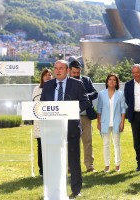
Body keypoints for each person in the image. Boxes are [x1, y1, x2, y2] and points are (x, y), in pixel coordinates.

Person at [40, 60, 90, 198]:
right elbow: (43, 103)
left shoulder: (77, 84)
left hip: (71, 127)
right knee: (54, 160)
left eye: (61, 68)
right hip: (52, 129)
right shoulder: (48, 85)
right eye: (55, 68)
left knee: (74, 161)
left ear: (67, 70)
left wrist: (72, 110)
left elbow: (85, 101)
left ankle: (76, 190)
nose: (57, 71)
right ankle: (54, 189)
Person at [69, 59, 98, 173]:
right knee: (72, 142)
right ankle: (71, 167)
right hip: (71, 117)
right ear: (69, 72)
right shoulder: (66, 83)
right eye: (74, 73)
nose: (76, 75)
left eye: (78, 73)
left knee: (87, 142)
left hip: (85, 117)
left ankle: (89, 166)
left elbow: (95, 93)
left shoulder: (87, 80)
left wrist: (85, 96)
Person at [97, 73, 126, 173]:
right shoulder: (101, 94)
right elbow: (99, 109)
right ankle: (107, 165)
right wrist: (98, 122)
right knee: (106, 144)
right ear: (107, 81)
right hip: (104, 122)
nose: (112, 81)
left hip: (117, 122)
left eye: (114, 80)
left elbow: (123, 109)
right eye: (110, 79)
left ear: (116, 82)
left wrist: (122, 122)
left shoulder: (120, 94)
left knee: (117, 144)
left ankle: (117, 164)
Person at [31, 69, 53, 176]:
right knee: (41, 146)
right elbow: (34, 103)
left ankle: (51, 168)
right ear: (42, 77)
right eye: (46, 75)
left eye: (50, 75)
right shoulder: (36, 89)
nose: (48, 77)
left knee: (51, 146)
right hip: (40, 122)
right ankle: (42, 171)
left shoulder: (55, 88)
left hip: (52, 122)